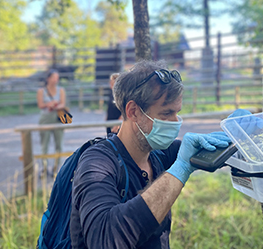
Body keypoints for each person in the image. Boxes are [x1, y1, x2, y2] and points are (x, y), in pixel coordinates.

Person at [70, 60, 238, 248]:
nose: (175, 122)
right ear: (133, 111)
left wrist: (240, 134)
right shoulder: (97, 163)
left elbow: (215, 151)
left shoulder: (158, 153)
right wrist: (180, 170)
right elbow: (105, 241)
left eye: (177, 113)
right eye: (166, 113)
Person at [37, 69, 66, 178]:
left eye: (57, 78)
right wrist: (49, 104)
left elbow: (63, 104)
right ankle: (44, 168)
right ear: (48, 79)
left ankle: (57, 168)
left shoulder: (61, 90)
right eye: (53, 77)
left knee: (59, 144)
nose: (55, 80)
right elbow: (40, 105)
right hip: (45, 118)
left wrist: (56, 105)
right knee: (45, 144)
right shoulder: (41, 91)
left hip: (58, 118)